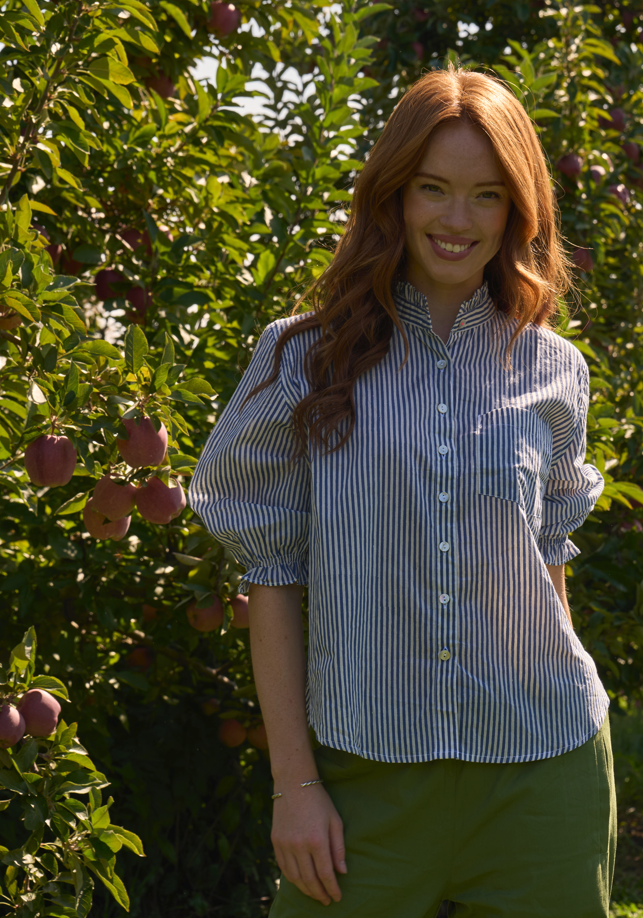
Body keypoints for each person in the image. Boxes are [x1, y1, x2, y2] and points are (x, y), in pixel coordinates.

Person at [188, 62, 616, 918]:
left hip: (543, 772)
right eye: (433, 189)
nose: (457, 220)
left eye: (486, 196)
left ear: (518, 210)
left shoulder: (553, 368)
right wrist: (294, 785)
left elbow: (545, 564)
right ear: (393, 193)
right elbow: (271, 575)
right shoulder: (301, 359)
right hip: (361, 784)